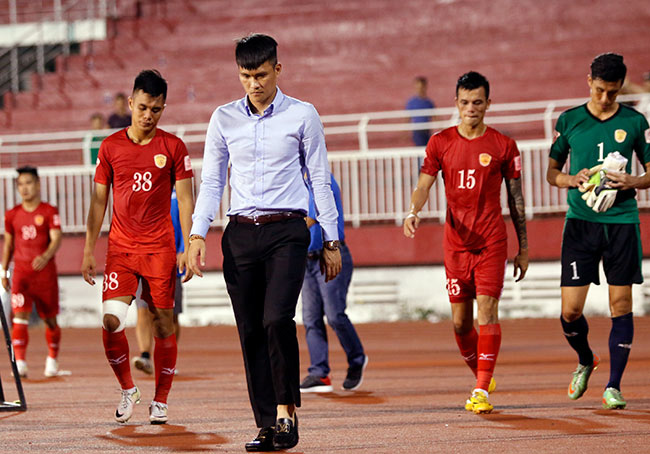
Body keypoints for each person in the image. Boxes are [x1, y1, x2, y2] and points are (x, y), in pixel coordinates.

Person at [187, 34, 341, 452]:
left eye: (259, 74)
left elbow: (319, 179)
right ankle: (265, 423)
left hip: (286, 231)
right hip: (239, 234)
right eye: (245, 75)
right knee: (250, 330)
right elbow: (214, 181)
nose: (253, 83)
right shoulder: (223, 118)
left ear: (278, 68)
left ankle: (286, 412)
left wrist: (332, 239)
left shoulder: (303, 115)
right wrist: (197, 234)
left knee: (276, 319)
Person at [403, 71, 528, 414]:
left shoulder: (503, 146)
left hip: (491, 242)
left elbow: (516, 200)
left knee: (487, 311)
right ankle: (483, 376)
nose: (471, 108)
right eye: (464, 102)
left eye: (477, 102)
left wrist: (524, 248)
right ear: (456, 103)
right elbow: (424, 184)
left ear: (489, 103)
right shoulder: (440, 142)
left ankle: (481, 390)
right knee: (460, 323)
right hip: (455, 245)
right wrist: (413, 210)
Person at [81, 70, 195, 425]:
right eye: (143, 107)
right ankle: (128, 389)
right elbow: (99, 201)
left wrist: (188, 245)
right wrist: (88, 250)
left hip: (160, 250)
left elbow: (186, 199)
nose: (149, 115)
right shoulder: (111, 146)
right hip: (121, 250)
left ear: (163, 108)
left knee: (163, 325)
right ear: (130, 103)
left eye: (157, 109)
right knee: (111, 321)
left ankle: (160, 401)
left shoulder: (173, 147)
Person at [546, 53, 650, 410]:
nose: (606, 99)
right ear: (588, 80)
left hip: (621, 223)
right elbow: (552, 173)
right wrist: (571, 180)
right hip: (581, 224)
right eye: (601, 90)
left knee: (620, 304)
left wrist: (633, 180)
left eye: (614, 93)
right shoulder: (570, 120)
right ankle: (586, 358)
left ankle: (614, 386)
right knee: (571, 312)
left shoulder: (636, 122)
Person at [299, 174, 367, 393]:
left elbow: (314, 212)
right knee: (310, 318)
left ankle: (357, 358)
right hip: (306, 260)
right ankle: (319, 373)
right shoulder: (294, 179)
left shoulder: (323, 179)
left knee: (335, 314)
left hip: (331, 254)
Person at [2, 166, 63, 378]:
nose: (25, 188)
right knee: (20, 317)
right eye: (21, 184)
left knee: (50, 320)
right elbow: (8, 244)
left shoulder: (49, 211)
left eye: (28, 183)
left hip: (45, 276)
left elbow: (56, 238)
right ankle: (20, 363)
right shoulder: (12, 215)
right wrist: (4, 271)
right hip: (21, 274)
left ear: (37, 184)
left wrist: (45, 256)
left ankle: (52, 360)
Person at [132, 188, 185, 375]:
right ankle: (145, 356)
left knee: (170, 314)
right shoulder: (139, 191)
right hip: (143, 260)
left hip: (170, 262)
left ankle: (168, 359)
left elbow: (186, 222)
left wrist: (184, 249)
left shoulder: (178, 195)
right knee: (143, 310)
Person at [405, 76, 436, 146]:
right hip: (417, 131)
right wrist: (404, 132)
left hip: (427, 131)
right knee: (420, 151)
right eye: (418, 87)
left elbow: (435, 116)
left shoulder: (428, 102)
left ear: (425, 87)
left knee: (429, 151)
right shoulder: (411, 102)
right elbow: (407, 118)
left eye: (421, 87)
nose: (420, 89)